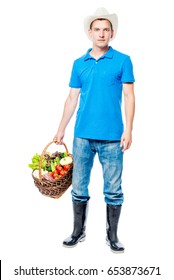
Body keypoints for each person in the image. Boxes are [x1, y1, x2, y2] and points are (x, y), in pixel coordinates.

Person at [54, 7, 135, 253]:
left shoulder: (123, 60)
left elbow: (129, 96)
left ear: (112, 33)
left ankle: (112, 236)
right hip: (82, 137)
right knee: (78, 187)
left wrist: (129, 130)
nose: (101, 34)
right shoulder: (79, 63)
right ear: (90, 33)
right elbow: (71, 99)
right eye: (97, 29)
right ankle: (78, 232)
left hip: (112, 138)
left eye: (106, 30)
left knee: (113, 190)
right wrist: (60, 131)